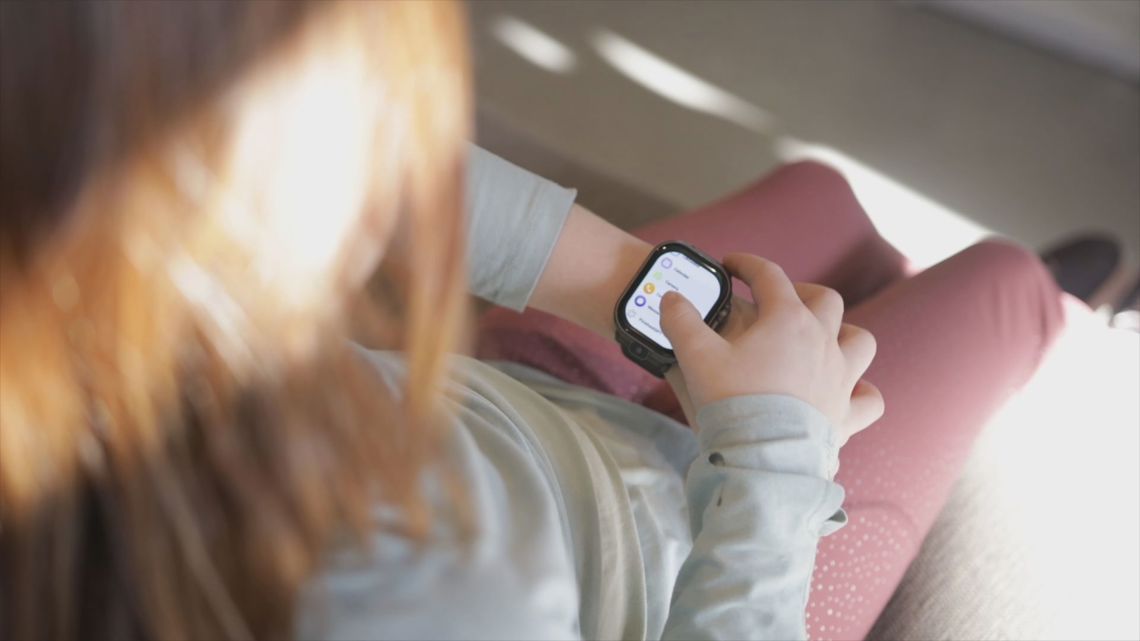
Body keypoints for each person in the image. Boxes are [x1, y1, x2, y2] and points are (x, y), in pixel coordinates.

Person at [0, 2, 1065, 640]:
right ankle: (1068, 306)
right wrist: (777, 451)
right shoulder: (428, 604)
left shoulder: (66, 284)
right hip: (702, 566)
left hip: (510, 409)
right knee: (1005, 284)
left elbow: (365, 176)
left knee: (823, 198)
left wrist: (629, 286)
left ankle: (904, 286)